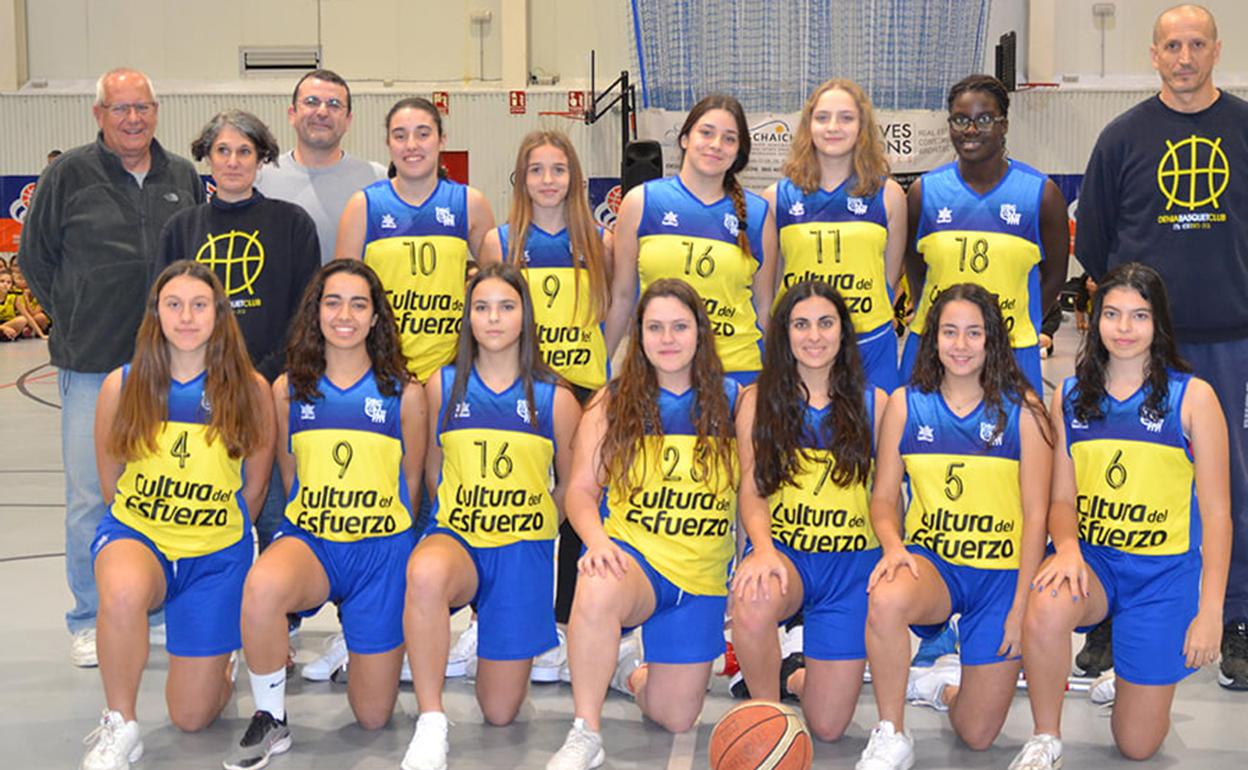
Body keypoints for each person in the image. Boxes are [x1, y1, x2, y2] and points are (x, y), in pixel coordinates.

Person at [1074, 3, 1248, 690]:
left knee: (1228, 484)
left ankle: (1233, 614)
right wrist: (1116, 332)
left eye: (1196, 44)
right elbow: (1095, 255)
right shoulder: (1121, 138)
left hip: (1228, 339)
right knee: (1119, 477)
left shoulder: (1243, 128)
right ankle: (1111, 610)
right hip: (1136, 349)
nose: (1184, 56)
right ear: (1152, 54)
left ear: (1216, 50)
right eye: (1171, 45)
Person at [1009, 263, 1230, 769]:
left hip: (1162, 576)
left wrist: (1211, 613)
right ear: (1093, 317)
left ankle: (1129, 672)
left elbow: (1218, 515)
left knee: (1136, 744)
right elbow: (1061, 500)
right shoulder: (1069, 395)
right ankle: (1046, 737)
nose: (1124, 328)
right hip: (1096, 565)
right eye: (1112, 314)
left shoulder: (1193, 398)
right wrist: (1066, 549)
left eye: (1139, 315)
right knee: (1046, 603)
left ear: (1159, 324)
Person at [18, 67, 205, 667]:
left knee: (160, 487)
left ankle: (147, 607)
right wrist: (71, 318)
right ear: (99, 114)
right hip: (92, 360)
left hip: (166, 365)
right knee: (90, 495)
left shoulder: (181, 175)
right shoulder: (67, 175)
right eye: (120, 108)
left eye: (142, 107)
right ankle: (88, 616)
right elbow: (35, 257)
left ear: (156, 111)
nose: (132, 119)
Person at [224, 260, 426, 770]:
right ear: (315, 312)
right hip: (314, 543)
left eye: (359, 304)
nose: (345, 315)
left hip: (381, 554)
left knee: (374, 717)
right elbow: (291, 478)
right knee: (263, 585)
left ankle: (364, 640)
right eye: (333, 302)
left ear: (376, 317)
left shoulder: (406, 392)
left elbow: (412, 484)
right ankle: (271, 718)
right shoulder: (287, 390)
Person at [79, 261, 273, 770]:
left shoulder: (250, 390)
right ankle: (120, 724)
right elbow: (109, 483)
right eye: (174, 304)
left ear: (219, 314)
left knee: (190, 716)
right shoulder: (122, 386)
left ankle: (221, 659)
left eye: (199, 305)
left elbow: (254, 487)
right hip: (141, 536)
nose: (186, 317)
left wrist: (211, 532)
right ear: (156, 314)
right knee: (121, 591)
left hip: (214, 556)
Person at [547, 279, 741, 770]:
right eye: (655, 328)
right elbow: (581, 492)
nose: (668, 338)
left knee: (675, 718)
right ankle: (585, 731)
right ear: (639, 335)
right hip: (636, 563)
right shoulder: (612, 402)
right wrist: (596, 541)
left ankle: (630, 672)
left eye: (679, 326)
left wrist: (751, 557)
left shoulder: (735, 401)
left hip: (699, 581)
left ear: (701, 332)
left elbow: (753, 498)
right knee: (595, 581)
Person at [856, 283, 1052, 770]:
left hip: (1000, 577)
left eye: (973, 333)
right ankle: (891, 732)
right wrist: (893, 547)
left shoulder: (1024, 411)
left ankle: (939, 687)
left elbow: (1037, 519)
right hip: (937, 567)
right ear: (932, 338)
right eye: (949, 332)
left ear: (992, 341)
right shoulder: (906, 405)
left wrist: (1021, 606)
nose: (960, 345)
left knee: (977, 735)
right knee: (885, 595)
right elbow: (883, 498)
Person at [401, 262, 579, 770]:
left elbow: (570, 485)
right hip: (458, 537)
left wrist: (530, 522)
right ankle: (431, 720)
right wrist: (467, 515)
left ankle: (490, 628)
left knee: (500, 713)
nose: (493, 319)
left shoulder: (556, 398)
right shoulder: (444, 385)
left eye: (506, 307)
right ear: (468, 317)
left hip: (522, 553)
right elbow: (434, 471)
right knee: (426, 571)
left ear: (525, 316)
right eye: (481, 308)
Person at [479, 130, 619, 679]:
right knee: (519, 500)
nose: (547, 181)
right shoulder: (502, 242)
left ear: (575, 178)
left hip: (583, 389)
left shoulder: (600, 242)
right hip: (524, 388)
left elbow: (615, 311)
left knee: (577, 503)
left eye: (558, 169)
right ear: (521, 179)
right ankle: (504, 617)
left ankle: (564, 622)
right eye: (536, 170)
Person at [157, 109, 321, 557]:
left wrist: (260, 378)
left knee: (271, 508)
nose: (233, 161)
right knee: (202, 501)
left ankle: (278, 613)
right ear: (207, 158)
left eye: (244, 151)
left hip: (269, 386)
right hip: (200, 391)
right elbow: (165, 314)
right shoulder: (181, 229)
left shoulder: (292, 224)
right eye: (222, 151)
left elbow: (306, 314)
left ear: (261, 158)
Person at [730, 280, 887, 741]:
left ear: (843, 332)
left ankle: (791, 672)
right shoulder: (757, 401)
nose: (814, 336)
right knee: (753, 599)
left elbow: (888, 499)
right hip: (789, 560)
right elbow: (752, 489)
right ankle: (767, 714)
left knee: (828, 727)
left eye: (825, 323)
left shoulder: (876, 405)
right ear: (785, 333)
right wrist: (761, 550)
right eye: (801, 325)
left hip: (850, 569)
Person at [900, 74, 1069, 397]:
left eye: (985, 119)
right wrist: (938, 317)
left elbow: (1055, 276)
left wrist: (1016, 320)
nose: (971, 130)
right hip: (933, 348)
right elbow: (915, 266)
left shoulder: (1040, 194)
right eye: (961, 120)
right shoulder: (925, 193)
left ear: (1004, 125)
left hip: (1011, 349)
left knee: (1012, 445)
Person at [607, 94, 777, 385]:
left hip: (737, 373)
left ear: (739, 152)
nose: (715, 145)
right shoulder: (642, 203)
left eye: (729, 139)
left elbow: (764, 307)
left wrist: (775, 380)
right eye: (706, 133)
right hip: (657, 371)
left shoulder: (759, 215)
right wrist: (600, 368)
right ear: (685, 138)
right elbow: (622, 297)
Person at [337, 96, 495, 388]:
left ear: (442, 139)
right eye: (400, 135)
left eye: (423, 134)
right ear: (388, 143)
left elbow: (500, 289)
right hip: (380, 369)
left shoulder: (469, 203)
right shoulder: (364, 206)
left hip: (453, 371)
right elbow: (341, 297)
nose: (411, 145)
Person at [765, 79, 907, 392]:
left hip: (869, 345)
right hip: (801, 347)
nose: (833, 127)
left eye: (846, 118)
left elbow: (889, 279)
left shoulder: (889, 196)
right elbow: (771, 287)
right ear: (808, 125)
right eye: (822, 117)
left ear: (862, 127)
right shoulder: (777, 198)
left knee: (875, 439)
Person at [255, 69, 387, 266]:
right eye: (311, 102)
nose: (322, 112)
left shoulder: (376, 180)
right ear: (292, 114)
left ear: (348, 120)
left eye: (334, 105)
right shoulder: (260, 179)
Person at [0, 267, 28, 341]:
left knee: (22, 319)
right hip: (3, 327)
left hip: (9, 323)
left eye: (9, 282)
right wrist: (4, 328)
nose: (5, 284)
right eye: (2, 281)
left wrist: (41, 334)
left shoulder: (14, 296)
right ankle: (5, 334)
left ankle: (5, 335)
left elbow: (27, 315)